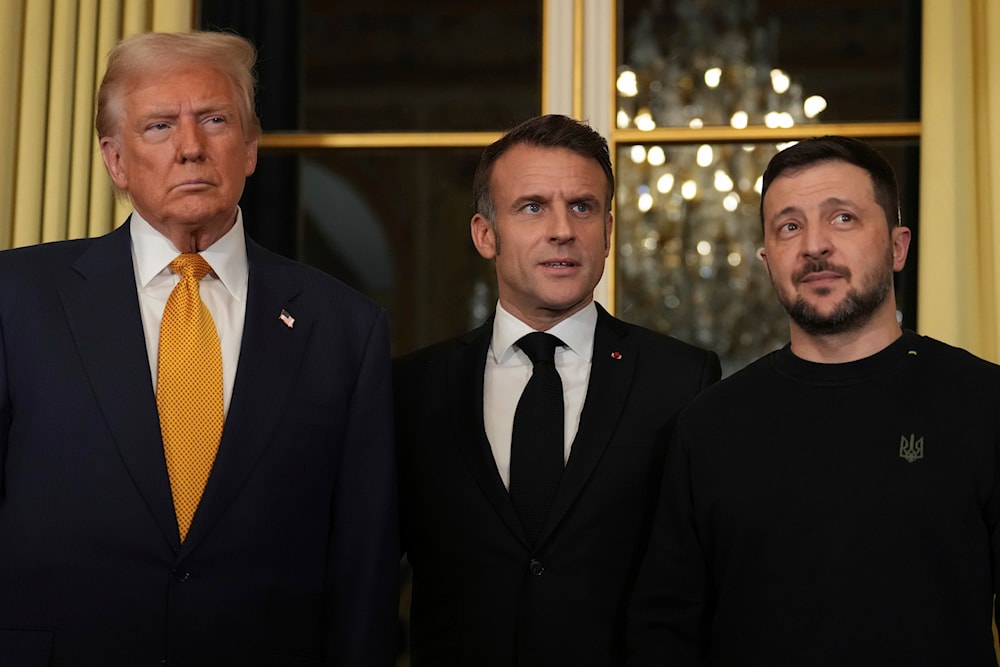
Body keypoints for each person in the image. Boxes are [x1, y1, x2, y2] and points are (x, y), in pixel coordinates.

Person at [0, 31, 398, 666]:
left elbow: (364, 566)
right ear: (115, 160)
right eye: (159, 126)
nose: (190, 147)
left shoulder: (345, 328)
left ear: (249, 147)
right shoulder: (15, 300)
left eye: (214, 119)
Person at [627, 136, 1000, 666]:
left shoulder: (982, 402)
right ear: (767, 259)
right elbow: (665, 630)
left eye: (842, 218)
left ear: (898, 247)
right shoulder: (709, 425)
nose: (814, 245)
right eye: (789, 226)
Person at [394, 114, 721, 666]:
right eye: (532, 207)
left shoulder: (680, 379)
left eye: (582, 207)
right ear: (485, 235)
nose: (562, 229)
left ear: (608, 232)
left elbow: (697, 579)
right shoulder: (411, 388)